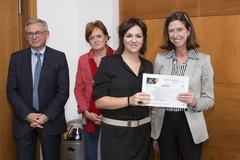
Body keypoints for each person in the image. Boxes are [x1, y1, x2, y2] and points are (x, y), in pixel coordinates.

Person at [151, 11, 214, 160]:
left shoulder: (203, 60)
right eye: (171, 30)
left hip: (190, 125)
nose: (175, 35)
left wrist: (195, 102)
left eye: (179, 29)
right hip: (164, 125)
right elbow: (156, 99)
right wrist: (155, 133)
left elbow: (210, 99)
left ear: (188, 30)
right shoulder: (160, 59)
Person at [7, 18, 69, 160]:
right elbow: (11, 91)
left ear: (47, 34)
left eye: (38, 33)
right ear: (26, 36)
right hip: (24, 122)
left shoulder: (59, 57)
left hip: (51, 121)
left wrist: (46, 116)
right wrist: (27, 115)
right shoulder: (16, 58)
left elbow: (63, 91)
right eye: (30, 34)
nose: (34, 37)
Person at [92, 17, 154, 160]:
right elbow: (99, 101)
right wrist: (129, 100)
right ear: (122, 39)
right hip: (116, 136)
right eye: (129, 36)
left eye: (138, 36)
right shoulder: (108, 63)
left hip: (144, 134)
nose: (134, 40)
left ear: (143, 39)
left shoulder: (148, 65)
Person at [74, 20, 114, 160]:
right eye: (91, 38)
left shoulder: (118, 57)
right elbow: (78, 88)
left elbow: (121, 89)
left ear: (106, 37)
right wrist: (86, 112)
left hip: (112, 115)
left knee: (111, 154)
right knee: (90, 155)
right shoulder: (83, 60)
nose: (96, 40)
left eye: (99, 36)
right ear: (88, 41)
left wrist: (107, 113)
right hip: (89, 116)